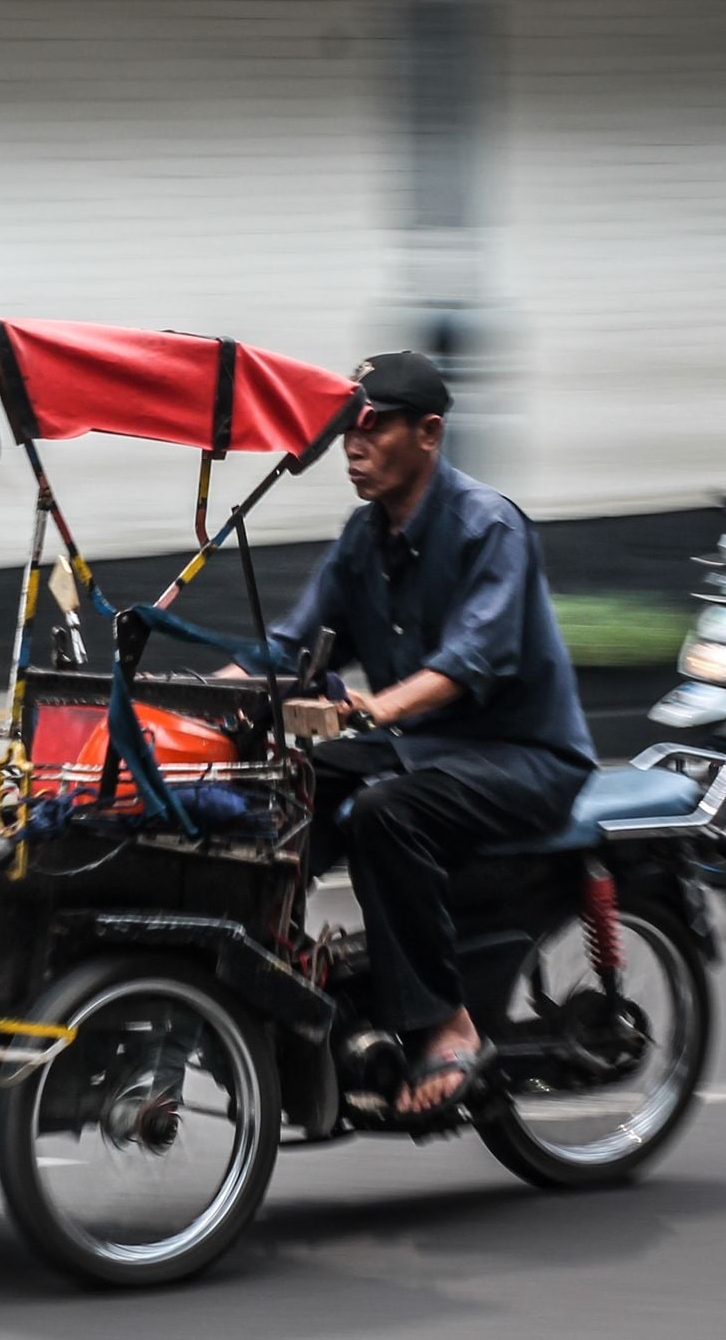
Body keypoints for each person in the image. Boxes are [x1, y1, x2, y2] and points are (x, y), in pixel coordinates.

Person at [259, 351, 595, 1119]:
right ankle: (280, 967)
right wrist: (202, 696)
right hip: (423, 750)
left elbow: (469, 661)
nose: (354, 445)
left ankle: (448, 1023)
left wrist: (376, 708)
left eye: (373, 428)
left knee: (386, 815)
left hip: (523, 757)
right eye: (348, 428)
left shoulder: (490, 527)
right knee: (282, 792)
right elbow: (290, 647)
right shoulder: (362, 537)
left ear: (430, 433)